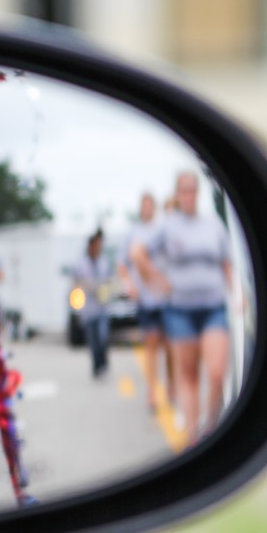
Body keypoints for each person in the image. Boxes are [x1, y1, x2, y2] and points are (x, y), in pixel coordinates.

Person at [132, 171, 233, 442]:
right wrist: (154, 279)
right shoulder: (168, 226)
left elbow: (227, 262)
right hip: (180, 310)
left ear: (197, 192)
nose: (189, 194)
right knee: (188, 375)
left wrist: (236, 293)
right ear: (177, 194)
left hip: (213, 307)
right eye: (184, 190)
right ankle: (193, 436)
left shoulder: (212, 225)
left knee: (217, 371)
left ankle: (211, 426)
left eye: (192, 189)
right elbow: (137, 254)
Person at [121, 191, 172, 411]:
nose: (147, 209)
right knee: (150, 344)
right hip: (146, 299)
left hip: (167, 298)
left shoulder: (163, 230)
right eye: (144, 205)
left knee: (170, 345)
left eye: (151, 205)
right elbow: (123, 264)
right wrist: (130, 283)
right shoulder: (134, 232)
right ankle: (152, 391)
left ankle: (172, 386)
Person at [72, 228, 114, 379]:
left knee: (103, 337)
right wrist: (87, 286)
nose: (98, 248)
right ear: (90, 246)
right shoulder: (81, 263)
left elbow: (110, 279)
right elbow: (76, 282)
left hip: (102, 306)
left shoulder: (104, 261)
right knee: (93, 341)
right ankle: (96, 367)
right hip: (89, 308)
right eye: (96, 245)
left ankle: (103, 362)